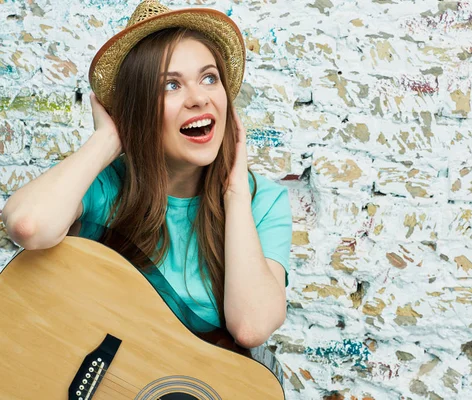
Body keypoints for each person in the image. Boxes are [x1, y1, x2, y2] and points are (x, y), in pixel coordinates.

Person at [1, 0, 292, 350]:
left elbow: (251, 327)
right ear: (139, 110)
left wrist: (235, 195)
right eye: (171, 86)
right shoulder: (104, 186)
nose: (199, 98)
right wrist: (108, 139)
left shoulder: (263, 201)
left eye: (209, 78)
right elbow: (27, 226)